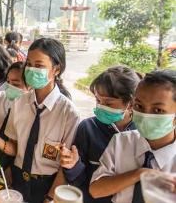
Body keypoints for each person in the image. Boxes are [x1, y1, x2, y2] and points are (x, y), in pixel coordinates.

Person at [0, 38, 80, 203]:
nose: (31, 70)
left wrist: (50, 198)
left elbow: (64, 167)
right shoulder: (19, 102)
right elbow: (15, 148)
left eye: (39, 65)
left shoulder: (68, 113)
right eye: (29, 64)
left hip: (46, 186)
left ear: (56, 69)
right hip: (18, 180)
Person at [89, 70, 176, 203]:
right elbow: (96, 189)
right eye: (139, 106)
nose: (145, 115)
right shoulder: (121, 141)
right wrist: (140, 174)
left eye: (158, 110)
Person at [59, 66, 141, 203]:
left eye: (108, 103)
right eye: (98, 100)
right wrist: (73, 165)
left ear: (131, 103)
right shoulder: (87, 128)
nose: (101, 107)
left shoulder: (142, 134)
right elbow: (79, 181)